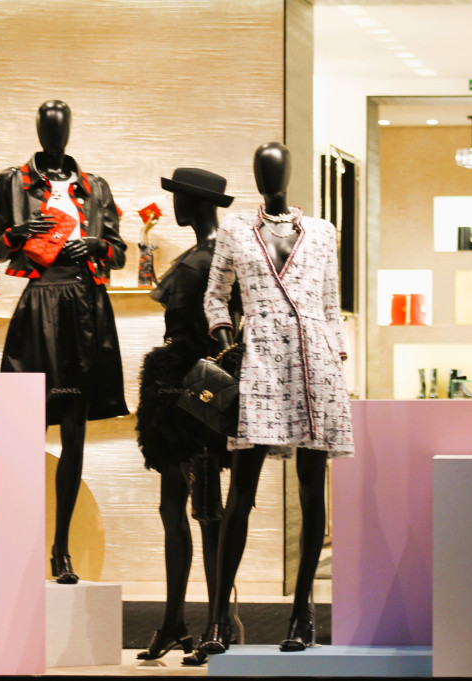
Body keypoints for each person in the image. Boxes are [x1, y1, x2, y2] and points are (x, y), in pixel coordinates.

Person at [200, 143, 354, 655]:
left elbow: (330, 304)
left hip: (315, 366)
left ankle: (302, 613)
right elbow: (215, 295)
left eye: (277, 168)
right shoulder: (236, 230)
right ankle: (218, 618)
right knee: (240, 492)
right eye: (262, 169)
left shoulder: (324, 231)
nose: (270, 176)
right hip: (260, 361)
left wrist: (336, 360)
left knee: (311, 490)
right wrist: (229, 344)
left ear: (288, 173)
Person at [0, 100, 128, 584]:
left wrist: (95, 245)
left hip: (86, 308)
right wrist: (18, 233)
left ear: (69, 130)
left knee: (74, 430)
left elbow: (118, 252)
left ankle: (61, 549)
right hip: (40, 303)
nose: (54, 132)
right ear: (38, 129)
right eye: (47, 125)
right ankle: (20, 545)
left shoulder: (96, 186)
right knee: (24, 430)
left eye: (61, 125)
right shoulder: (13, 180)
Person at [135, 168, 239, 665]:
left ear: (194, 202)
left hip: (200, 386)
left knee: (207, 512)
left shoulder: (221, 255)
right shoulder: (197, 253)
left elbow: (228, 325)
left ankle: (220, 623)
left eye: (177, 197)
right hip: (172, 386)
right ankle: (174, 621)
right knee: (171, 507)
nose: (173, 206)